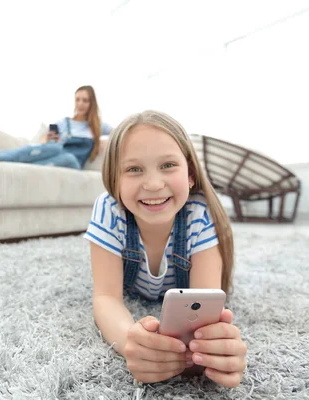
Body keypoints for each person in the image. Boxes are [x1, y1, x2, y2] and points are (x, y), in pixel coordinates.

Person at [83, 110, 247, 387]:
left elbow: (205, 305)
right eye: (134, 169)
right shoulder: (109, 209)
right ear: (115, 180)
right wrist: (131, 343)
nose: (153, 184)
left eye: (168, 165)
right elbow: (106, 297)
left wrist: (212, 351)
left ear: (191, 174)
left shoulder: (200, 214)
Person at [0, 85, 112, 169]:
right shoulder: (63, 123)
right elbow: (46, 141)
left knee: (68, 157)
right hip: (56, 152)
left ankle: (10, 163)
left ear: (91, 103)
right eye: (77, 100)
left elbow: (120, 132)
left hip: (74, 161)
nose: (80, 104)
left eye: (85, 100)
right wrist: (46, 141)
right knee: (54, 147)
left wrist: (103, 142)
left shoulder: (97, 125)